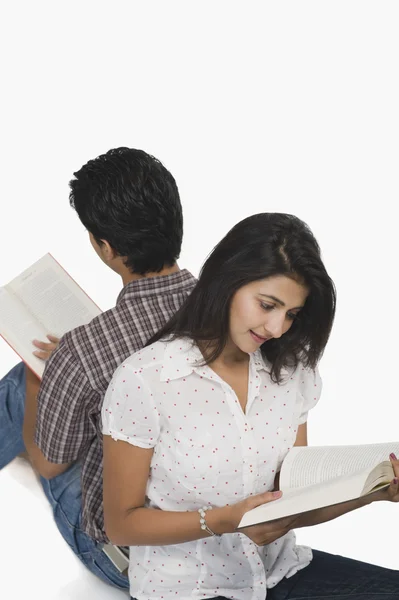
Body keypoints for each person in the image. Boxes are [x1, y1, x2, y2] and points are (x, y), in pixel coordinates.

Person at [102, 212, 399, 600]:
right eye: (267, 305)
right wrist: (224, 521)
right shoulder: (146, 379)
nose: (277, 328)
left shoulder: (290, 371)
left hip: (281, 573)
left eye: (291, 314)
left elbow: (292, 500)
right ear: (227, 282)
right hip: (187, 588)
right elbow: (121, 525)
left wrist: (372, 492)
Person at [0, 147, 196, 590]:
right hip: (212, 533)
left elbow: (49, 465)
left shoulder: (83, 352)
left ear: (105, 246)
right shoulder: (231, 308)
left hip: (128, 559)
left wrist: (39, 382)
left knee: (21, 384)